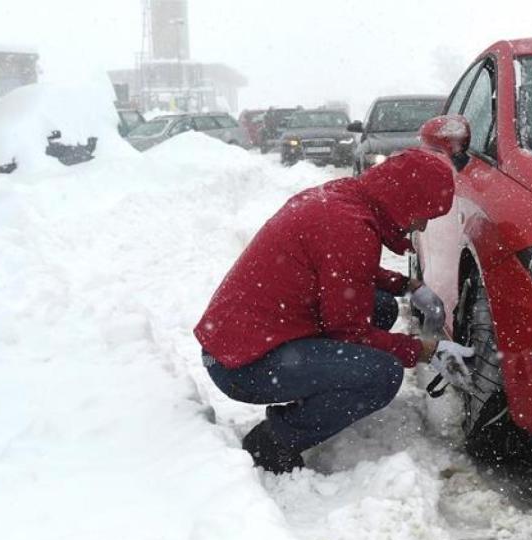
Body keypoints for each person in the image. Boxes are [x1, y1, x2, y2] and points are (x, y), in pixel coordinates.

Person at [195, 115, 474, 473]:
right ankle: (274, 441)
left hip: (239, 342)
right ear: (405, 201)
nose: (420, 226)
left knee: (382, 308)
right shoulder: (351, 228)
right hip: (243, 364)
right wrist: (423, 350)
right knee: (383, 375)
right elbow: (349, 331)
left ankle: (318, 392)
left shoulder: (344, 201)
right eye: (423, 215)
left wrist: (406, 286)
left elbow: (343, 271)